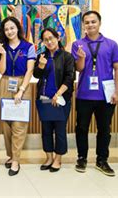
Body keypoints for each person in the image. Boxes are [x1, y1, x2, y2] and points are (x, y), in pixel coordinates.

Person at [72, 11, 118, 176]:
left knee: (104, 129)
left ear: (99, 23)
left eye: (93, 22)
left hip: (105, 96)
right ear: (83, 25)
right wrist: (80, 58)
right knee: (81, 128)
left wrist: (117, 91)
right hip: (84, 95)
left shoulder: (111, 44)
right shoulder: (78, 44)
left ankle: (102, 160)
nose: (90, 25)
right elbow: (79, 69)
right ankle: (82, 158)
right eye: (87, 22)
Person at [0, 16, 36, 176]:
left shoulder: (28, 47)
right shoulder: (1, 47)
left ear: (18, 28)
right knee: (7, 123)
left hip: (22, 84)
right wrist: (3, 54)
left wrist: (22, 89)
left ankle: (16, 160)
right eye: (6, 29)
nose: (9, 31)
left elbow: (30, 70)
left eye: (12, 28)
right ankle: (11, 155)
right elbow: (1, 71)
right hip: (5, 83)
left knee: (19, 124)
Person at [33, 28, 75, 172]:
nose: (49, 42)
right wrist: (41, 65)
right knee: (46, 130)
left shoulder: (67, 57)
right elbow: (36, 75)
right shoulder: (41, 56)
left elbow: (70, 78)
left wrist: (58, 94)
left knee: (60, 130)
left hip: (61, 99)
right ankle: (49, 157)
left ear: (58, 38)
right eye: (46, 40)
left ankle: (58, 159)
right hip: (44, 100)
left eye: (51, 38)